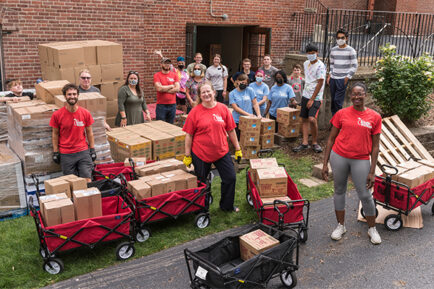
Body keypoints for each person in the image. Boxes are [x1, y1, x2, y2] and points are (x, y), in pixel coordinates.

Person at [322, 82, 382, 245]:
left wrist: (372, 171)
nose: (357, 96)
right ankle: (340, 226)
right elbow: (331, 139)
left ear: (365, 95)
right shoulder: (341, 114)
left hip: (361, 159)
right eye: (354, 93)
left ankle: (372, 228)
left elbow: (375, 146)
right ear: (350, 95)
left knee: (365, 195)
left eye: (360, 93)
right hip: (339, 156)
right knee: (339, 191)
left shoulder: (374, 117)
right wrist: (325, 164)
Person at [183, 81, 242, 212]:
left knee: (230, 178)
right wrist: (187, 155)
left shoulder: (223, 108)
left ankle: (226, 206)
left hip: (221, 151)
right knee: (202, 182)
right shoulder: (195, 112)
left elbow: (231, 130)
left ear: (214, 92)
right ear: (199, 95)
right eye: (203, 92)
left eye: (208, 91)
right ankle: (202, 208)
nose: (206, 94)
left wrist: (238, 149)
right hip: (201, 153)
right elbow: (189, 135)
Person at [49, 83, 95, 182]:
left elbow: (89, 132)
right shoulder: (57, 115)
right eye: (69, 94)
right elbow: (55, 134)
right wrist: (56, 152)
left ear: (78, 95)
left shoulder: (85, 113)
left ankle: (88, 197)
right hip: (66, 154)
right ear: (65, 96)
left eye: (74, 94)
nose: (72, 97)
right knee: (72, 182)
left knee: (87, 179)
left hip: (83, 151)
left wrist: (92, 149)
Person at [293, 43, 326, 153]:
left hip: (316, 97)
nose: (311, 55)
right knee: (304, 119)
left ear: (317, 53)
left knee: (312, 119)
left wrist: (312, 99)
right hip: (305, 95)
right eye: (309, 53)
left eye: (313, 53)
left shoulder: (321, 66)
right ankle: (305, 142)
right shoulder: (306, 63)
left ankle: (315, 142)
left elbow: (320, 83)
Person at [327, 28, 358, 116]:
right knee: (333, 100)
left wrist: (348, 77)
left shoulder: (351, 50)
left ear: (346, 38)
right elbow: (332, 64)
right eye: (338, 38)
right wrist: (330, 75)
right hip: (333, 78)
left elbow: (355, 65)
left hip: (342, 79)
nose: (340, 40)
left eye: (342, 38)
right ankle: (335, 121)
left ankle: (338, 122)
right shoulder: (333, 50)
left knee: (338, 101)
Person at [229, 73, 261, 139]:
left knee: (248, 139)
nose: (243, 84)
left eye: (245, 83)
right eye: (242, 82)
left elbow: (255, 103)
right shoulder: (232, 93)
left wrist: (259, 114)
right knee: (238, 139)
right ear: (237, 81)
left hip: (249, 120)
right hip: (237, 120)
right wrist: (248, 114)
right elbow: (235, 108)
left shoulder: (250, 90)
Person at [153, 58, 180, 123]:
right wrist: (171, 86)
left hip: (172, 105)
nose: (167, 65)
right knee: (160, 125)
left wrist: (163, 89)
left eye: (168, 63)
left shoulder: (174, 75)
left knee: (170, 126)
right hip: (161, 105)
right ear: (161, 64)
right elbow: (158, 88)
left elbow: (177, 89)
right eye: (165, 63)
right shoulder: (157, 75)